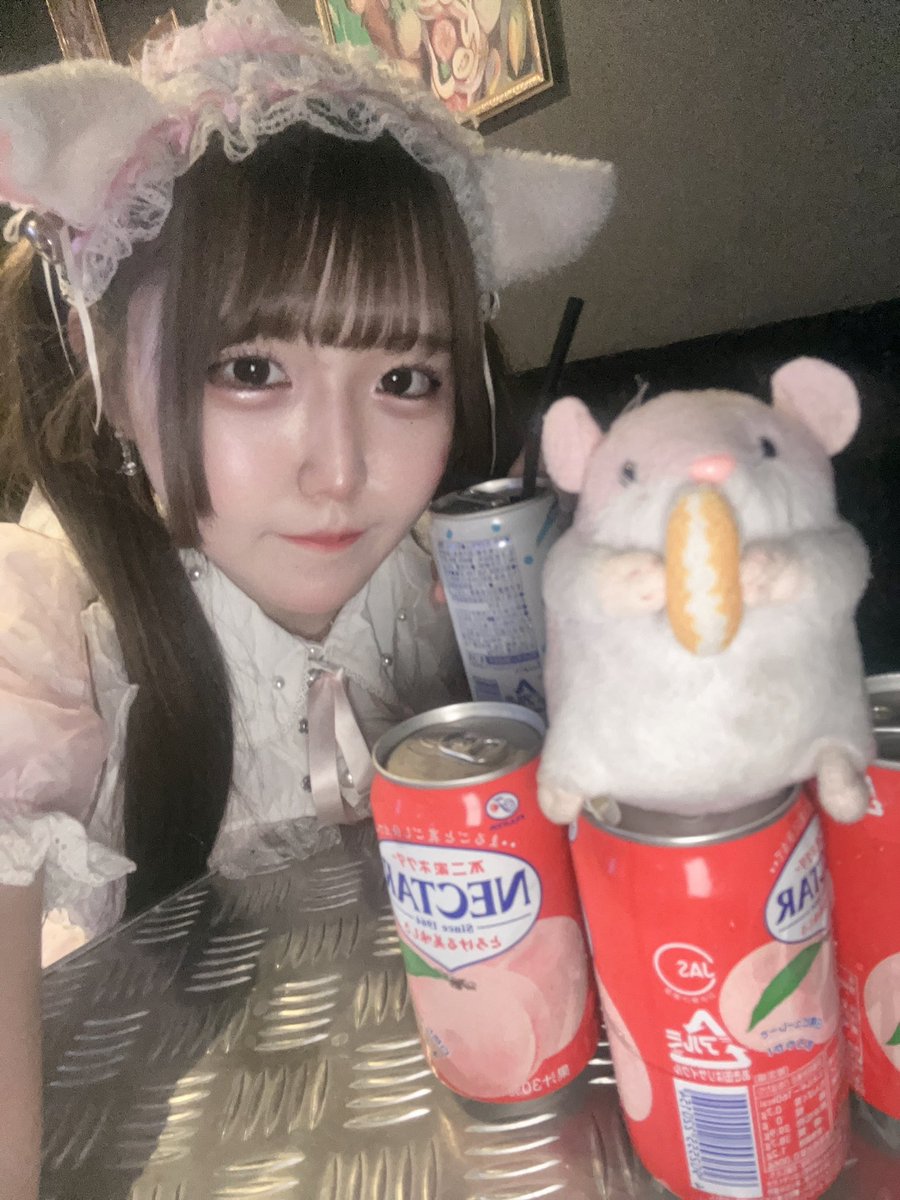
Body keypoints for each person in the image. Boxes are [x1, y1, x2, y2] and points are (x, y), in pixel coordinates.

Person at [0, 0, 614, 1192]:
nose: (340, 471)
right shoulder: (44, 619)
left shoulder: (452, 575)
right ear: (108, 370)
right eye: (252, 368)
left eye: (405, 377)